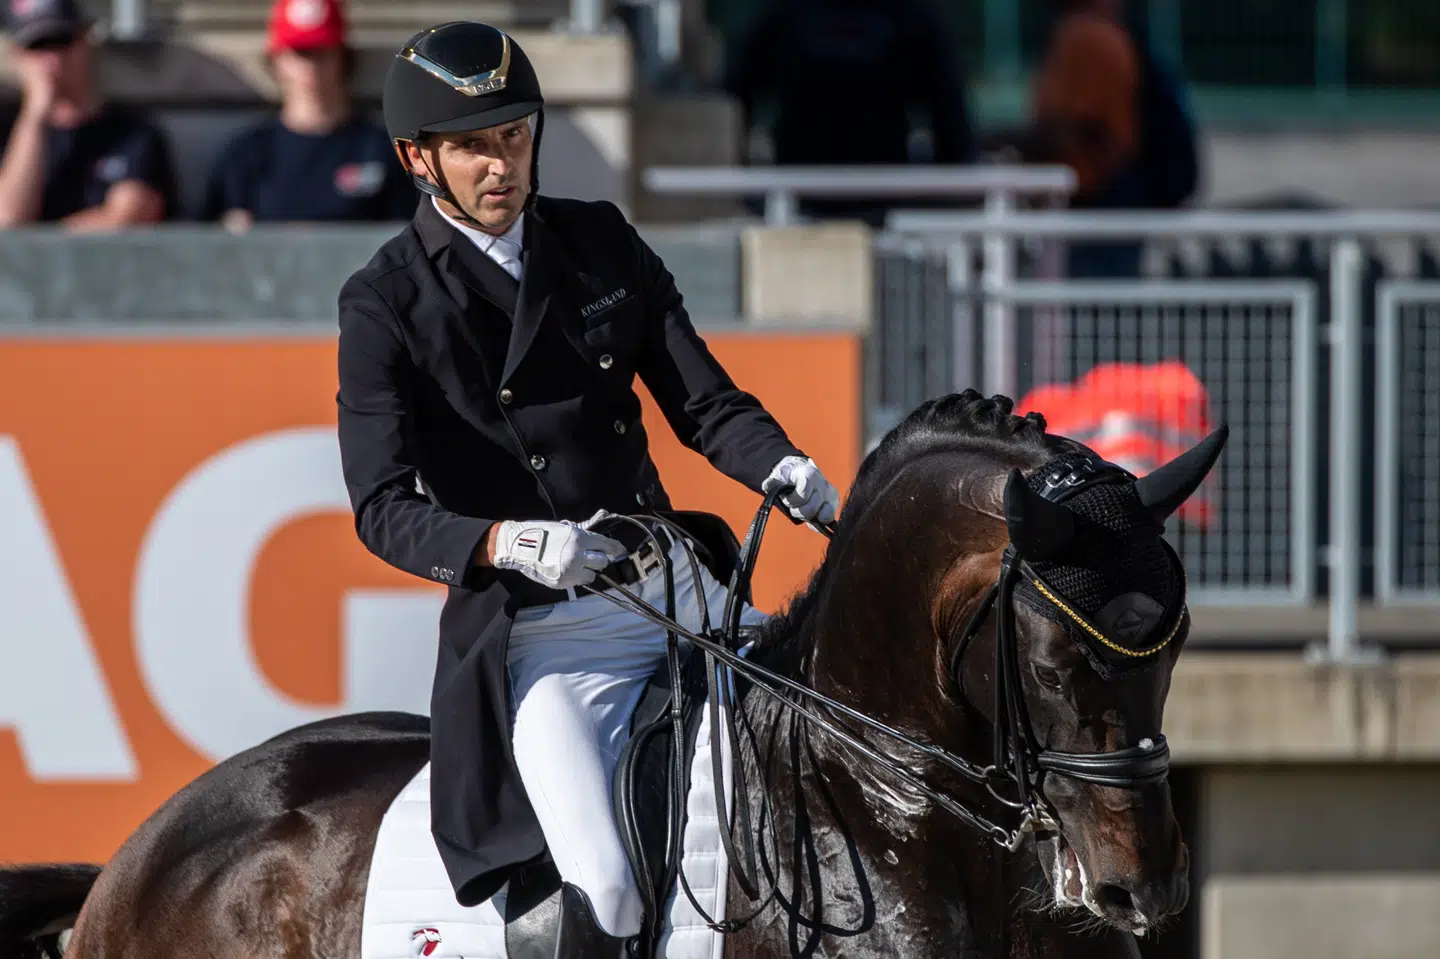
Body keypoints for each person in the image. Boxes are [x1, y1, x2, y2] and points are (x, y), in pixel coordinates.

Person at [335, 20, 841, 956]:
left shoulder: (599, 239)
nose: (503, 165)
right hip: (546, 633)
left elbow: (706, 403)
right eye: (475, 146)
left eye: (516, 136)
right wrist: (503, 541)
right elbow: (381, 506)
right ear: (418, 158)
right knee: (604, 886)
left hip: (675, 587)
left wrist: (780, 464)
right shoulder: (386, 302)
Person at [722, 0, 976, 225]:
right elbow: (953, 130)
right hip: (839, 196)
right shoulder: (912, 15)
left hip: (830, 196)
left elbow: (733, 97)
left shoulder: (784, 13)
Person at [202, 0, 416, 229]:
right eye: (300, 52)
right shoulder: (247, 154)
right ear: (276, 61)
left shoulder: (380, 149)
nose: (311, 66)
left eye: (321, 52)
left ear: (343, 58)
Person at [0, 0, 177, 230]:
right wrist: (34, 116)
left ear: (86, 41)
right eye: (38, 47)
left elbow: (123, 220)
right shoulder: (8, 133)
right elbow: (8, 219)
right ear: (18, 56)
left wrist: (41, 241)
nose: (54, 60)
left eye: (62, 42)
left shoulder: (132, 133)